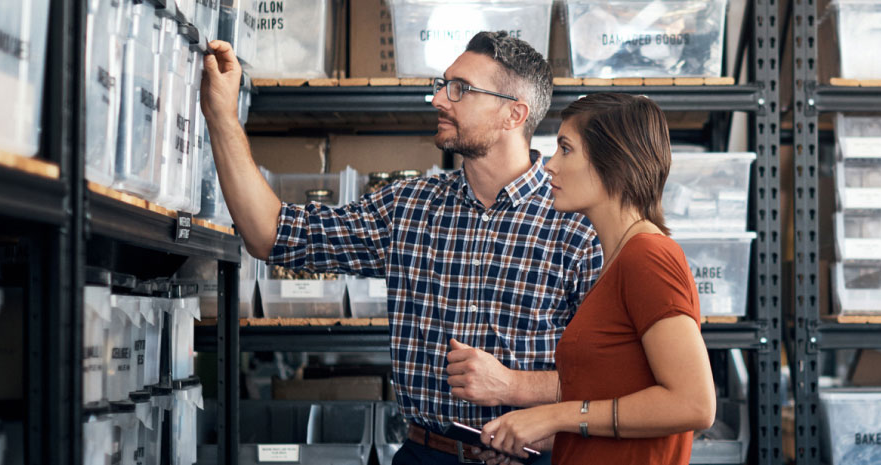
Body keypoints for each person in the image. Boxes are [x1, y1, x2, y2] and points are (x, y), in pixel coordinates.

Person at [199, 31, 600, 465]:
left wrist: (524, 401)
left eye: (460, 89)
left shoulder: (577, 224)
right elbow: (272, 234)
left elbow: (616, 378)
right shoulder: (408, 206)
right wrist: (222, 114)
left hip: (534, 459)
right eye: (442, 85)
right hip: (424, 454)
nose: (439, 101)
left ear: (513, 114)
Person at [478, 93, 717, 465]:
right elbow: (620, 405)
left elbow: (694, 404)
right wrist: (541, 435)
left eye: (565, 149)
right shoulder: (618, 259)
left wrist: (553, 414)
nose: (549, 166)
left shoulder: (648, 258)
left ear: (613, 162)